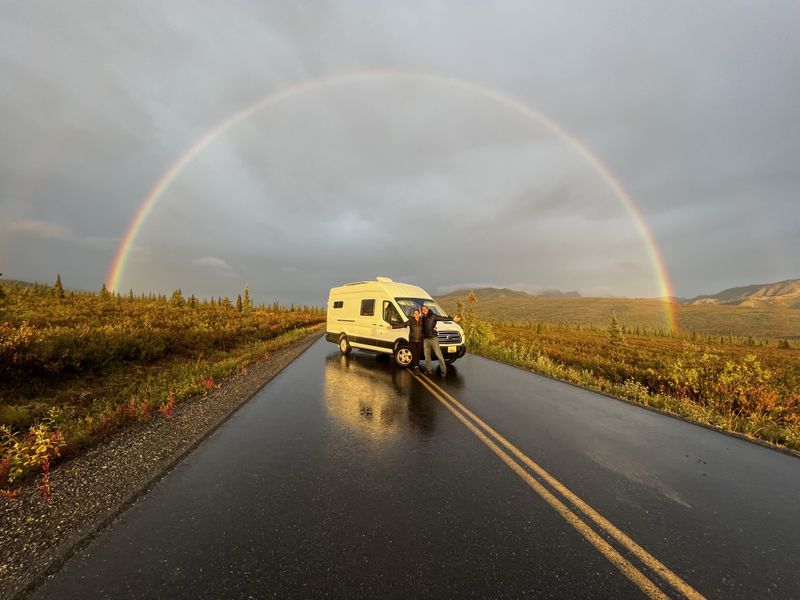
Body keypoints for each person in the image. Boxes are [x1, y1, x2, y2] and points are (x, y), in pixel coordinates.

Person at [421, 305, 460, 376]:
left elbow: (442, 318)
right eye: (422, 309)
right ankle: (429, 370)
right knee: (427, 356)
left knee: (438, 355)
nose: (424, 310)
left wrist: (452, 318)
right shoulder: (423, 317)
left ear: (427, 309)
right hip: (426, 339)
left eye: (425, 309)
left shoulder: (433, 316)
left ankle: (443, 371)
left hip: (433, 338)